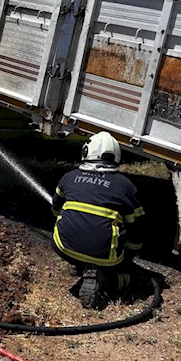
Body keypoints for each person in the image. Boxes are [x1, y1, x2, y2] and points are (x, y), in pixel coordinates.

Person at [50, 131, 147, 309]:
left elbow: (55, 208)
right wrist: (129, 256)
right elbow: (138, 225)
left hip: (63, 247)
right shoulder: (125, 186)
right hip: (107, 257)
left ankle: (79, 264)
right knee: (130, 278)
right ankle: (107, 280)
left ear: (86, 152)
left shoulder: (69, 177)